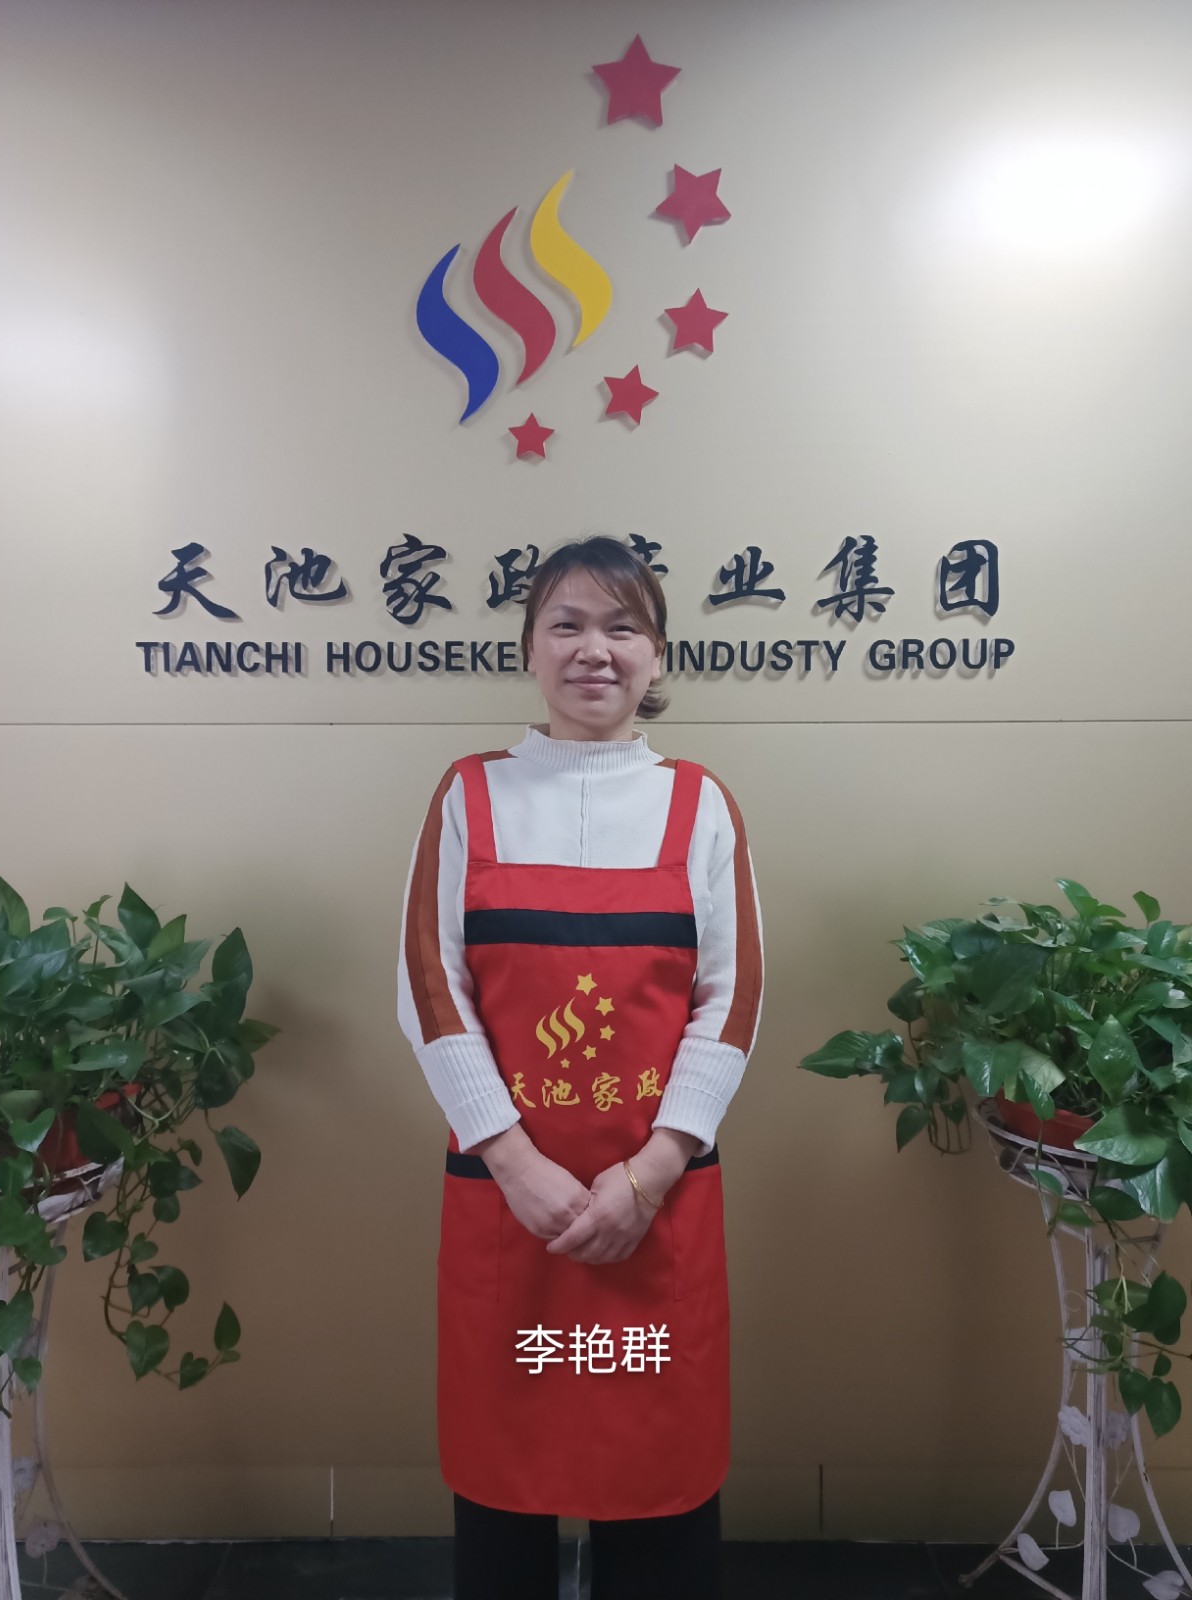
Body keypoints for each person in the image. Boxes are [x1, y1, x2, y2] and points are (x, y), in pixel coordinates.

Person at [397, 535, 764, 1600]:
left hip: (658, 1206)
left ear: (658, 655)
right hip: (510, 1209)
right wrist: (514, 1163)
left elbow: (732, 998)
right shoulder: (470, 795)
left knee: (658, 1489)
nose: (593, 650)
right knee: (505, 1491)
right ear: (529, 648)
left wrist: (652, 1170)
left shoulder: (700, 803)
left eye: (622, 627)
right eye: (566, 624)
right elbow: (429, 985)